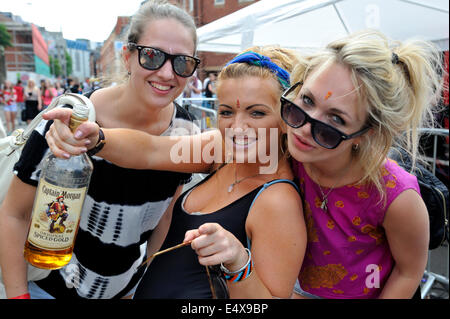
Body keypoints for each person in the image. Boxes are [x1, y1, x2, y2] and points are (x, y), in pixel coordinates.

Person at [43, 46, 307, 299]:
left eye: (257, 113)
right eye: (227, 112)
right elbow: (151, 151)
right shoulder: (222, 150)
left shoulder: (278, 201)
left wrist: (239, 263)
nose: (237, 127)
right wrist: (96, 138)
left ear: (287, 117)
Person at [0, 0, 200, 299]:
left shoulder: (187, 131)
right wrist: (18, 295)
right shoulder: (70, 118)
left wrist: (147, 286)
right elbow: (14, 214)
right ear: (128, 56)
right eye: (153, 56)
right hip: (48, 290)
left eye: (182, 62)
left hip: (124, 291)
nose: (168, 73)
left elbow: (165, 221)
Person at [281, 30, 444, 299]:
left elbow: (409, 272)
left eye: (336, 120)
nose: (304, 127)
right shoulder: (287, 151)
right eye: (307, 100)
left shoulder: (396, 196)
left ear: (367, 133)